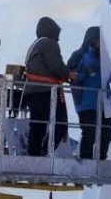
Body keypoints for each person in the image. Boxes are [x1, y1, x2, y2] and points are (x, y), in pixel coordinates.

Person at [23, 16, 77, 157]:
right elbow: (56, 66)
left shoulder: (35, 45)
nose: (58, 38)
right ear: (52, 31)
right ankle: (44, 152)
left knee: (37, 126)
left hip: (31, 91)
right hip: (45, 91)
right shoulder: (49, 43)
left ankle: (33, 156)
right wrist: (69, 75)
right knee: (60, 124)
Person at [71, 26, 111, 160]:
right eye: (101, 40)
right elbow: (70, 75)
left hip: (105, 102)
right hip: (86, 102)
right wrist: (84, 72)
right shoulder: (79, 55)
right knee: (89, 133)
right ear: (92, 39)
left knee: (106, 135)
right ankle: (85, 162)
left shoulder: (108, 56)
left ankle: (101, 161)